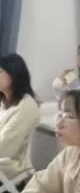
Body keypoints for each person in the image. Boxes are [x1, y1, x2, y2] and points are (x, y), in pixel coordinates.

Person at [0, 54, 40, 182]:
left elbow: (4, 148)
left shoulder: (26, 106)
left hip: (9, 164)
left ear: (14, 74)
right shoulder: (3, 102)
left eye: (0, 71)